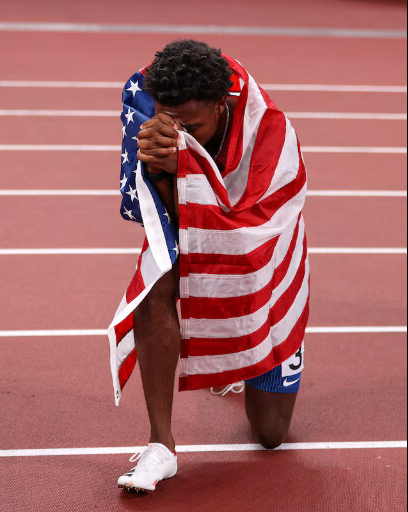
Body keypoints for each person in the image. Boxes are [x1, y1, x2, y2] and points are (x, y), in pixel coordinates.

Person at [109, 40, 309, 493]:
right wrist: (163, 173)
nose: (179, 133)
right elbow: (170, 226)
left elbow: (246, 243)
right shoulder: (147, 111)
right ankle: (161, 445)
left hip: (264, 259)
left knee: (270, 435)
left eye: (192, 127)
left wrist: (184, 166)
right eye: (171, 121)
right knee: (155, 278)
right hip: (198, 231)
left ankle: (266, 341)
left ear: (221, 105)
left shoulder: (270, 134)